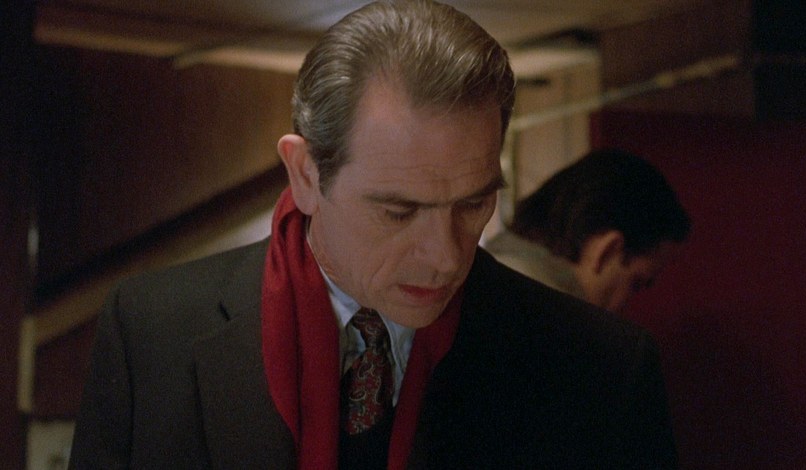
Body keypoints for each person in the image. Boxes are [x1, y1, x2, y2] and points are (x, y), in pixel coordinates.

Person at [69, 2, 678, 469]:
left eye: (473, 203)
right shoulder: (150, 331)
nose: (445, 258)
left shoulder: (603, 369)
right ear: (306, 175)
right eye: (398, 211)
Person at [485, 148, 691, 312]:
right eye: (636, 283)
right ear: (608, 249)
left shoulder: (488, 276)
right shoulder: (546, 319)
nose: (623, 306)